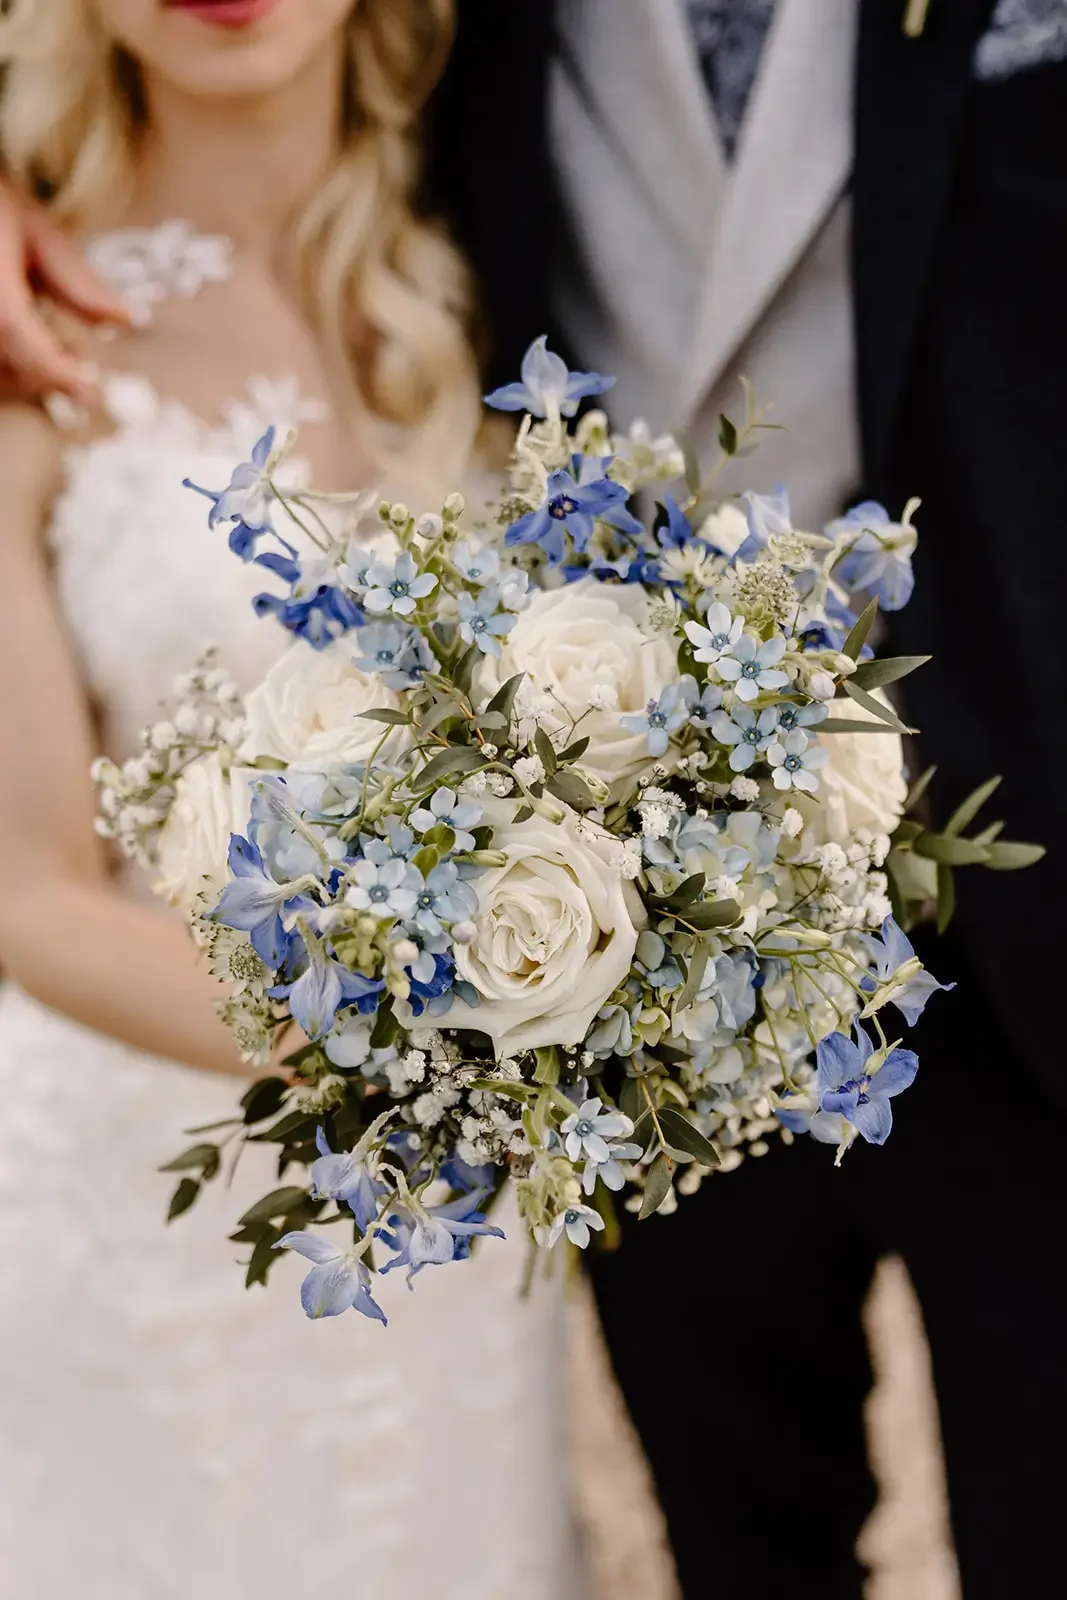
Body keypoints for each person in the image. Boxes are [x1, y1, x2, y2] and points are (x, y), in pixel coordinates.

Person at [3, 2, 1066, 1597]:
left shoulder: (429, 289)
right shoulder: (52, 339)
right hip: (434, 1107)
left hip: (1003, 928)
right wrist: (440, 1044)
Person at [0, 4, 579, 1597]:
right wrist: (432, 1046)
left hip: (449, 1257)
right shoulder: (29, 337)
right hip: (132, 1225)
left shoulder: (514, 276)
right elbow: (24, 893)